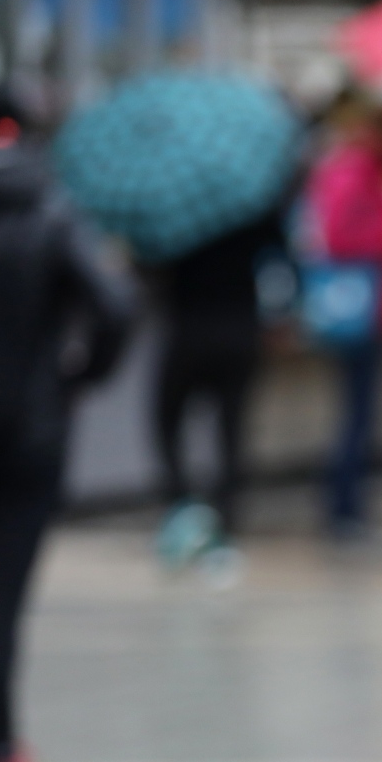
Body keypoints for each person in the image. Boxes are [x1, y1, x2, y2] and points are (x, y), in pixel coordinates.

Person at [0, 87, 135, 762]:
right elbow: (115, 308)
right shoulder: (55, 221)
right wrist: (78, 379)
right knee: (0, 608)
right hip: (31, 440)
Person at [153, 211, 285, 570]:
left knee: (168, 418)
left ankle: (182, 504)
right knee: (230, 429)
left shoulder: (173, 212)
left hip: (189, 330)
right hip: (239, 330)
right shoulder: (250, 205)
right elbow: (279, 256)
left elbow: (154, 264)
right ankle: (225, 517)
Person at [302, 104, 382, 538]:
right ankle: (344, 507)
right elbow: (338, 235)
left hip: (369, 307)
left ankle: (348, 503)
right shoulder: (356, 171)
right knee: (356, 412)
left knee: (360, 411)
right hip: (358, 306)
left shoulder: (368, 170)